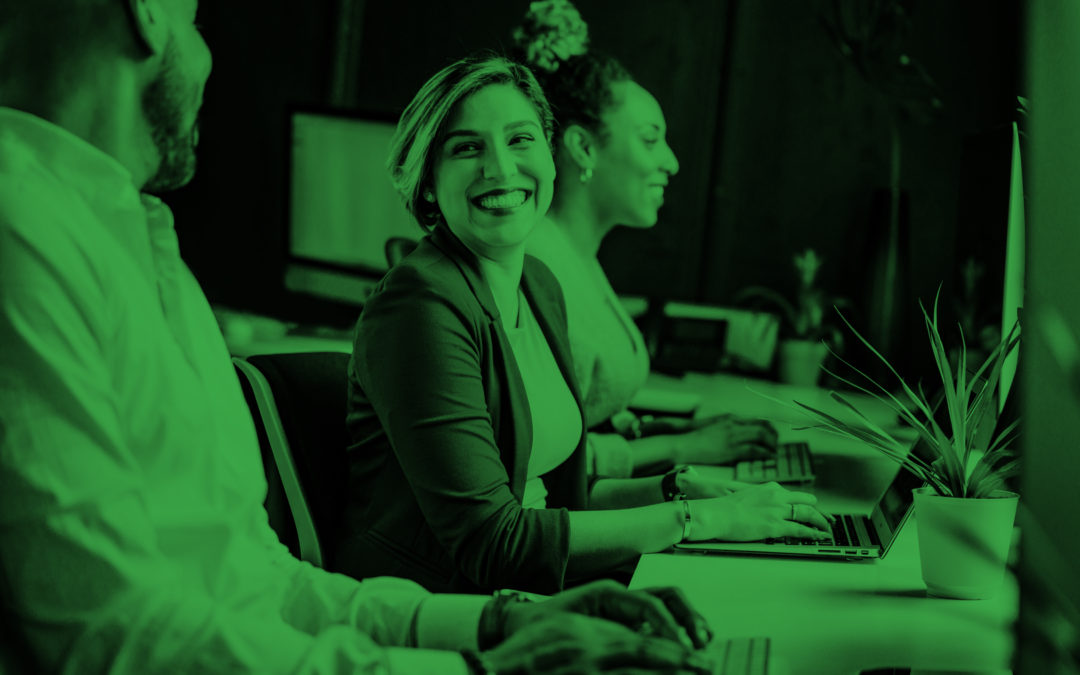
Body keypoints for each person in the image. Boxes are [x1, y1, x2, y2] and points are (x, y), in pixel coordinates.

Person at [0, 2, 720, 673]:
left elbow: (258, 579)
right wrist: (469, 665)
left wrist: (495, 628)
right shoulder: (20, 231)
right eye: (198, 17)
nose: (211, 56)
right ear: (148, 12)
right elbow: (111, 632)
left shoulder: (141, 244)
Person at [337, 51, 833, 597]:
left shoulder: (540, 284)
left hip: (532, 583)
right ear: (428, 183)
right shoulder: (420, 306)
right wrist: (700, 520)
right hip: (449, 603)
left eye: (521, 139)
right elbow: (493, 542)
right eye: (467, 147)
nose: (501, 168)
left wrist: (683, 491)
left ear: (551, 159)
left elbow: (559, 499)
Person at [514, 0, 780, 480]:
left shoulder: (576, 255)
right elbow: (541, 464)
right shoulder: (536, 266)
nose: (672, 163)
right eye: (650, 139)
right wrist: (680, 448)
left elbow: (587, 418)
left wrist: (668, 430)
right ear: (583, 147)